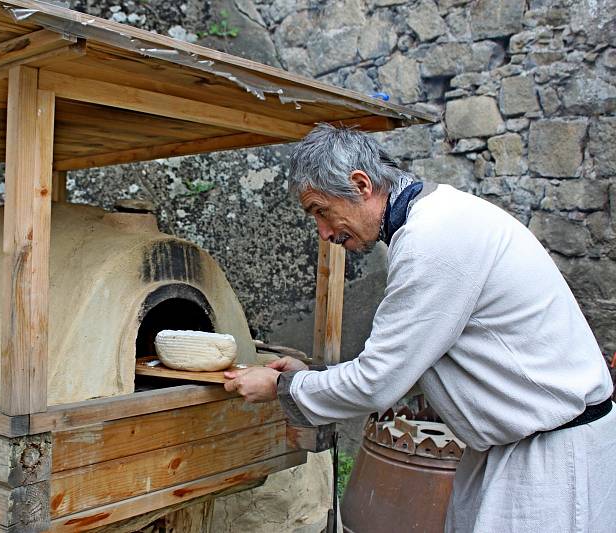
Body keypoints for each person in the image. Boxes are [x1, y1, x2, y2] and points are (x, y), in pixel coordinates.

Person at [223, 123, 616, 532]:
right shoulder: (435, 217)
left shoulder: (433, 240)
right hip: (523, 446)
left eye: (321, 210)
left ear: (361, 185)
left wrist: (280, 388)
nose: (324, 233)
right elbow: (408, 361)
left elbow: (379, 381)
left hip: (549, 460)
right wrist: (314, 378)